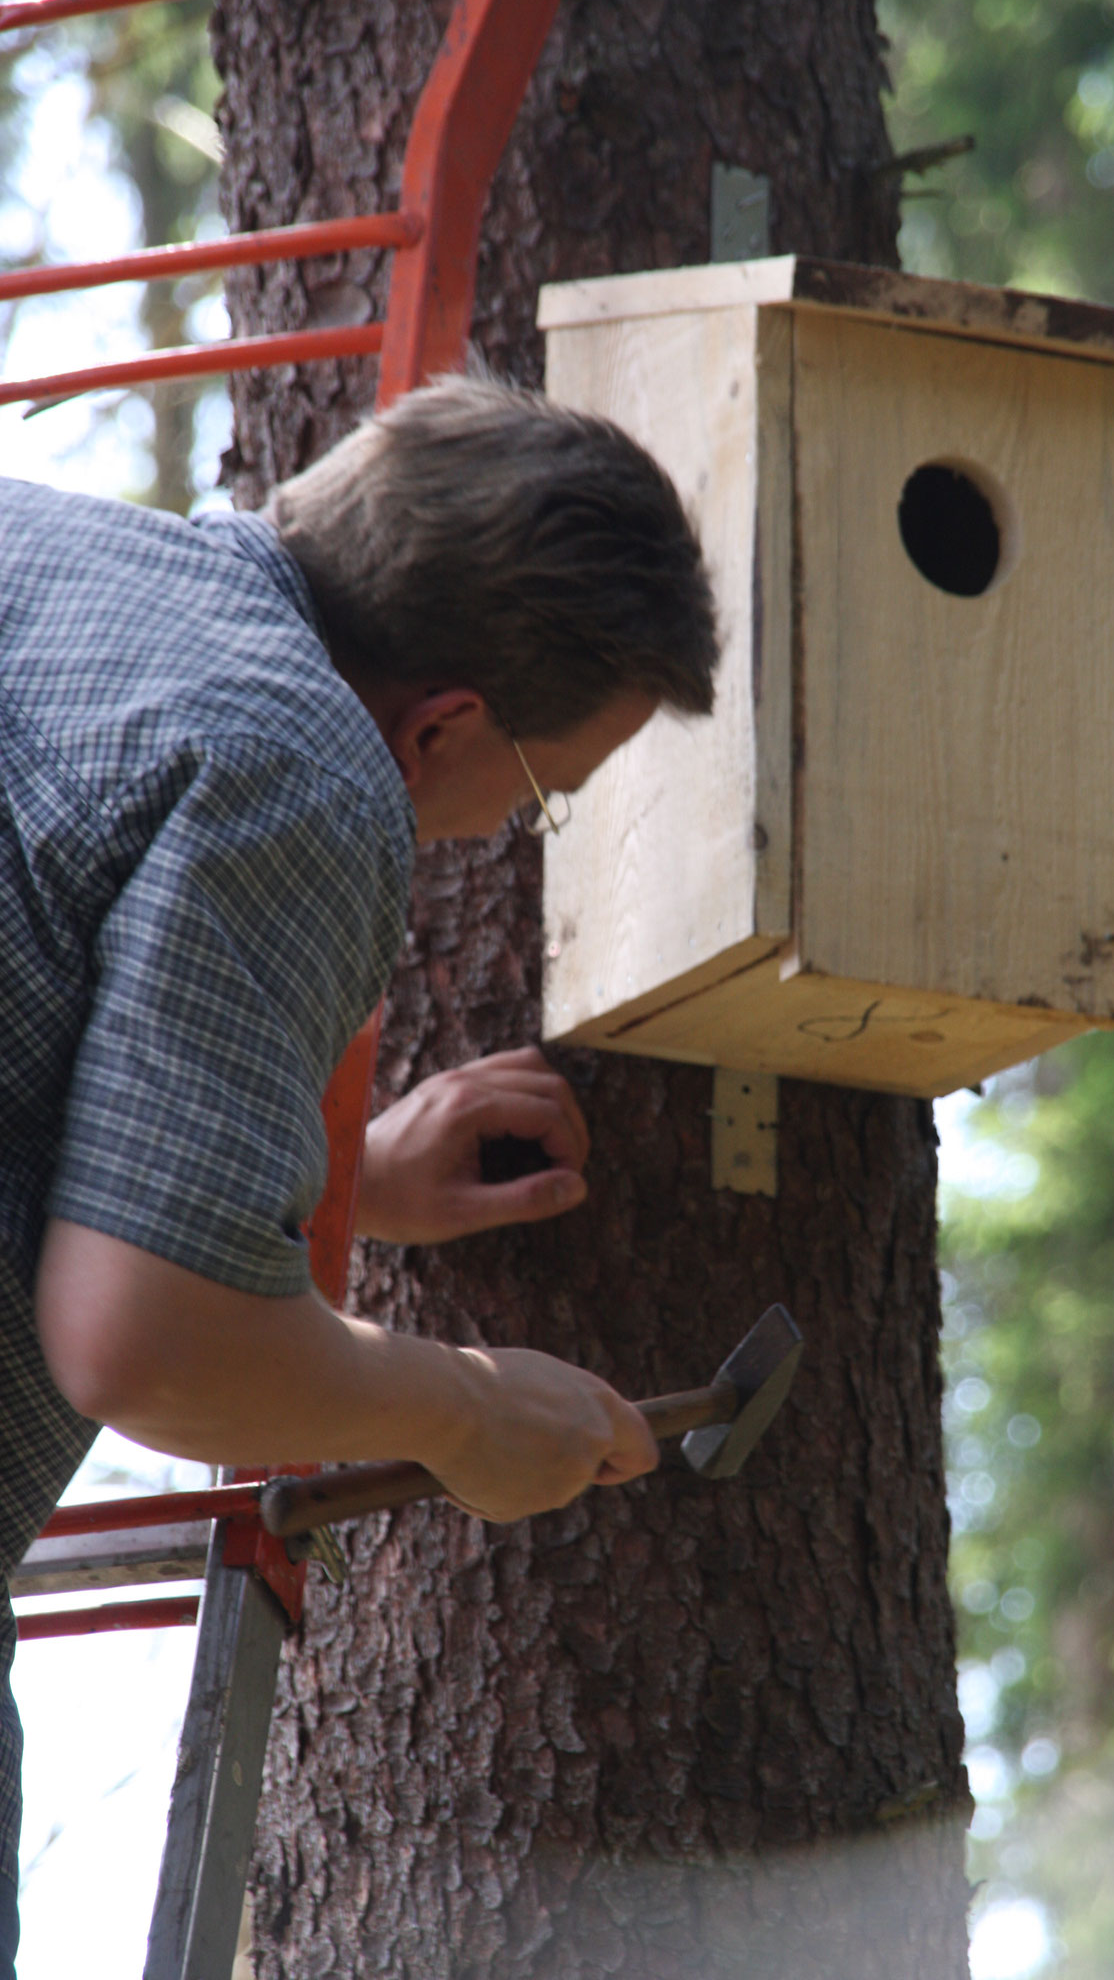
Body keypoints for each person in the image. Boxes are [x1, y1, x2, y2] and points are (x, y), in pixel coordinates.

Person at [0, 367, 719, 1969]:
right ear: (444, 722)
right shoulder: (305, 754)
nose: (486, 835)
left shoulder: (38, 556)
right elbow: (143, 1344)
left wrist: (329, 1178)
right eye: (535, 800)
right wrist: (463, 1407)